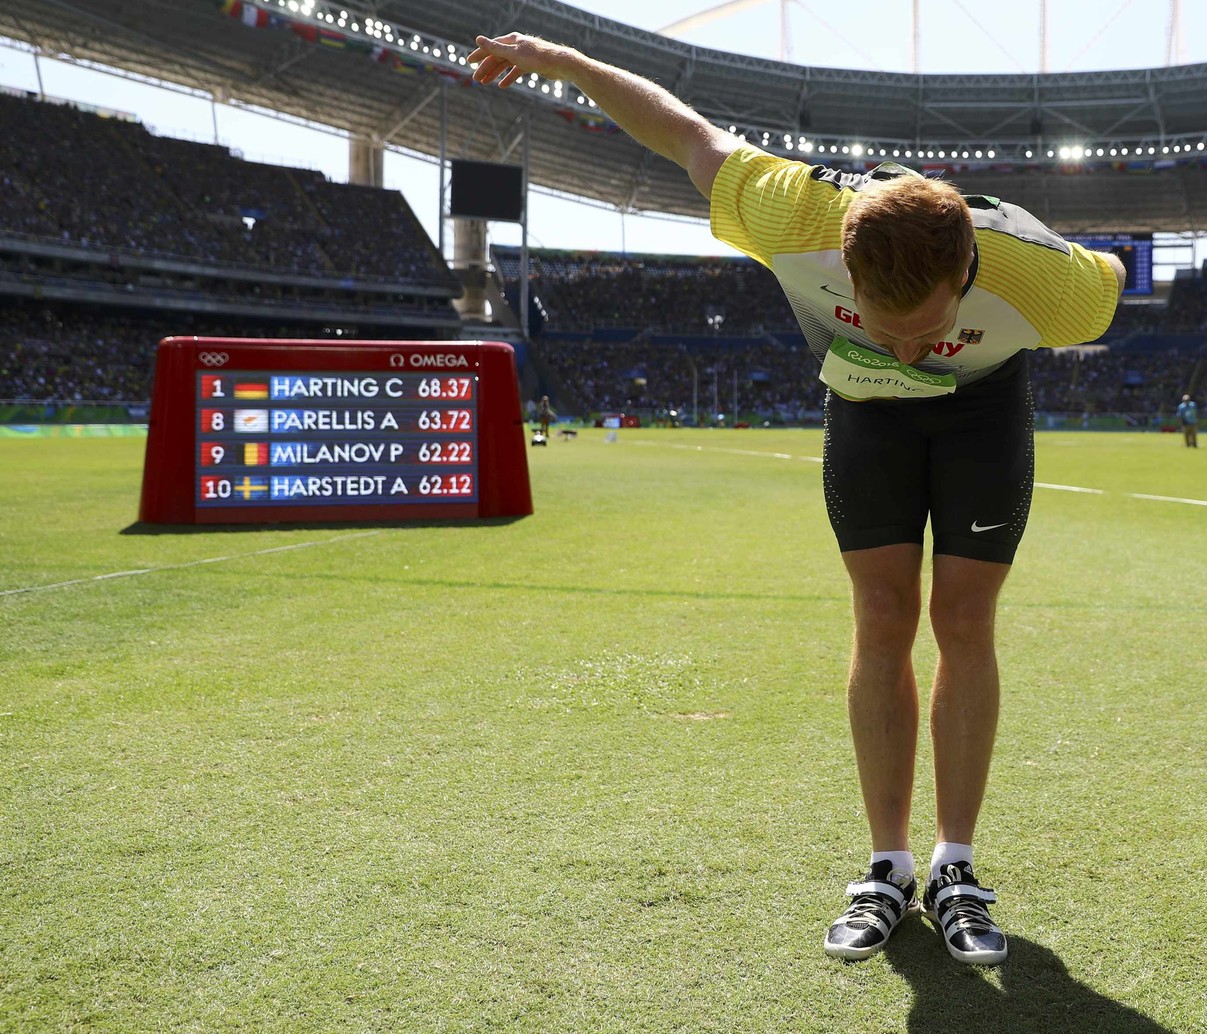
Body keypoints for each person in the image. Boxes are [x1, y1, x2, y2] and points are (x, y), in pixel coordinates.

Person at [468, 30, 1123, 966]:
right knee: (882, 615)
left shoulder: (1048, 287)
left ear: (968, 272)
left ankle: (957, 866)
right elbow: (683, 134)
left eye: (926, 324)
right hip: (865, 418)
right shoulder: (792, 212)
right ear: (843, 262)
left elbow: (1113, 277)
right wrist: (566, 65)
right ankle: (890, 866)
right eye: (880, 321)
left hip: (982, 413)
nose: (906, 344)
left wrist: (1034, 246)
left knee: (965, 619)